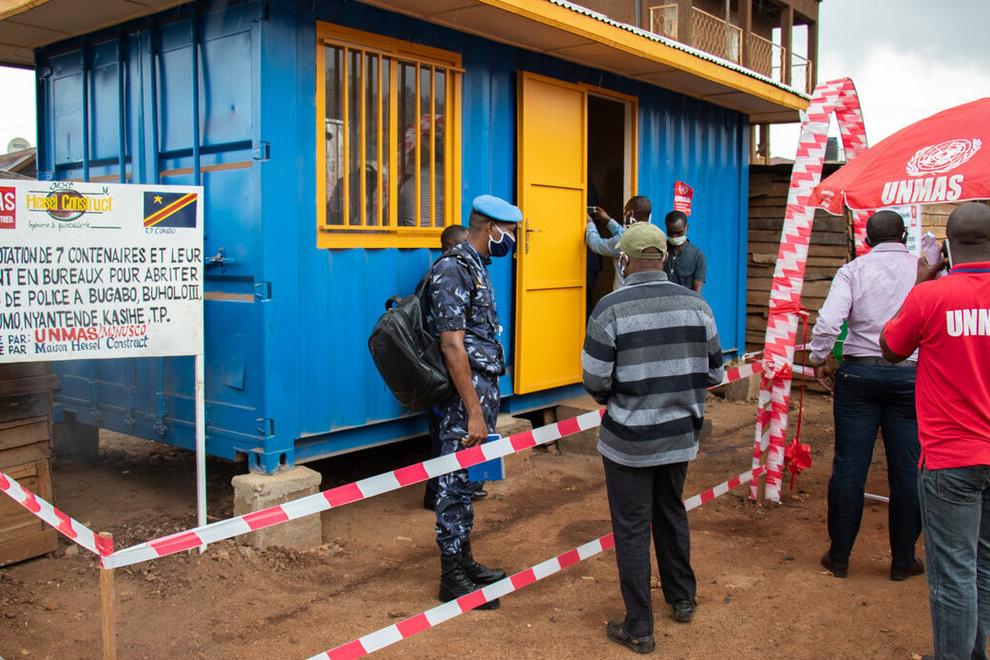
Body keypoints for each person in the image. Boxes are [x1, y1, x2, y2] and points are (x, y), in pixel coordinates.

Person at [582, 222, 724, 654]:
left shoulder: (610, 308)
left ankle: (639, 627)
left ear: (623, 261)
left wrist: (624, 399)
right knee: (670, 511)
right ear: (663, 257)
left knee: (631, 529)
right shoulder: (698, 306)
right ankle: (682, 598)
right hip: (679, 436)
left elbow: (595, 379)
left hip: (628, 441)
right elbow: (715, 372)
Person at [881, 202, 990, 660]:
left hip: (950, 457)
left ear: (946, 247)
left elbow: (890, 347)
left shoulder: (931, 297)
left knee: (953, 574)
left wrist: (921, 282)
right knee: (983, 565)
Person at [808, 210, 923, 581]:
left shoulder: (853, 270)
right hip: (910, 375)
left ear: (868, 240)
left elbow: (829, 322)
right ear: (903, 236)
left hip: (859, 374)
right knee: (908, 470)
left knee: (849, 467)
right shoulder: (923, 271)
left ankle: (839, 557)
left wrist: (819, 357)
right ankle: (903, 560)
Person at [424, 194, 521, 609]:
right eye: (510, 232)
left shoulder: (476, 266)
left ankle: (464, 560)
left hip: (480, 389)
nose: (512, 240)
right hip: (464, 400)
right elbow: (452, 345)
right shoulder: (452, 269)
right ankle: (451, 578)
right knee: (453, 483)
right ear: (490, 228)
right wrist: (475, 412)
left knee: (467, 481)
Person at [423, 224, 488, 510]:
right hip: (446, 376)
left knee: (450, 438)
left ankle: (464, 487)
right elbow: (449, 342)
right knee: (443, 440)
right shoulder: (446, 276)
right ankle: (436, 496)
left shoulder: (464, 273)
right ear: (450, 246)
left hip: (455, 375)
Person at [587, 195, 653, 288]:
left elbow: (596, 245)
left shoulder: (624, 241)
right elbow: (623, 233)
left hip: (624, 293)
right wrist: (608, 220)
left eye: (625, 212)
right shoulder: (652, 235)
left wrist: (589, 223)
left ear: (631, 213)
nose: (624, 215)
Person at [663, 211, 706, 293]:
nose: (674, 236)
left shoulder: (697, 256)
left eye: (679, 233)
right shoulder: (660, 251)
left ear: (687, 228)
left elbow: (697, 293)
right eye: (671, 232)